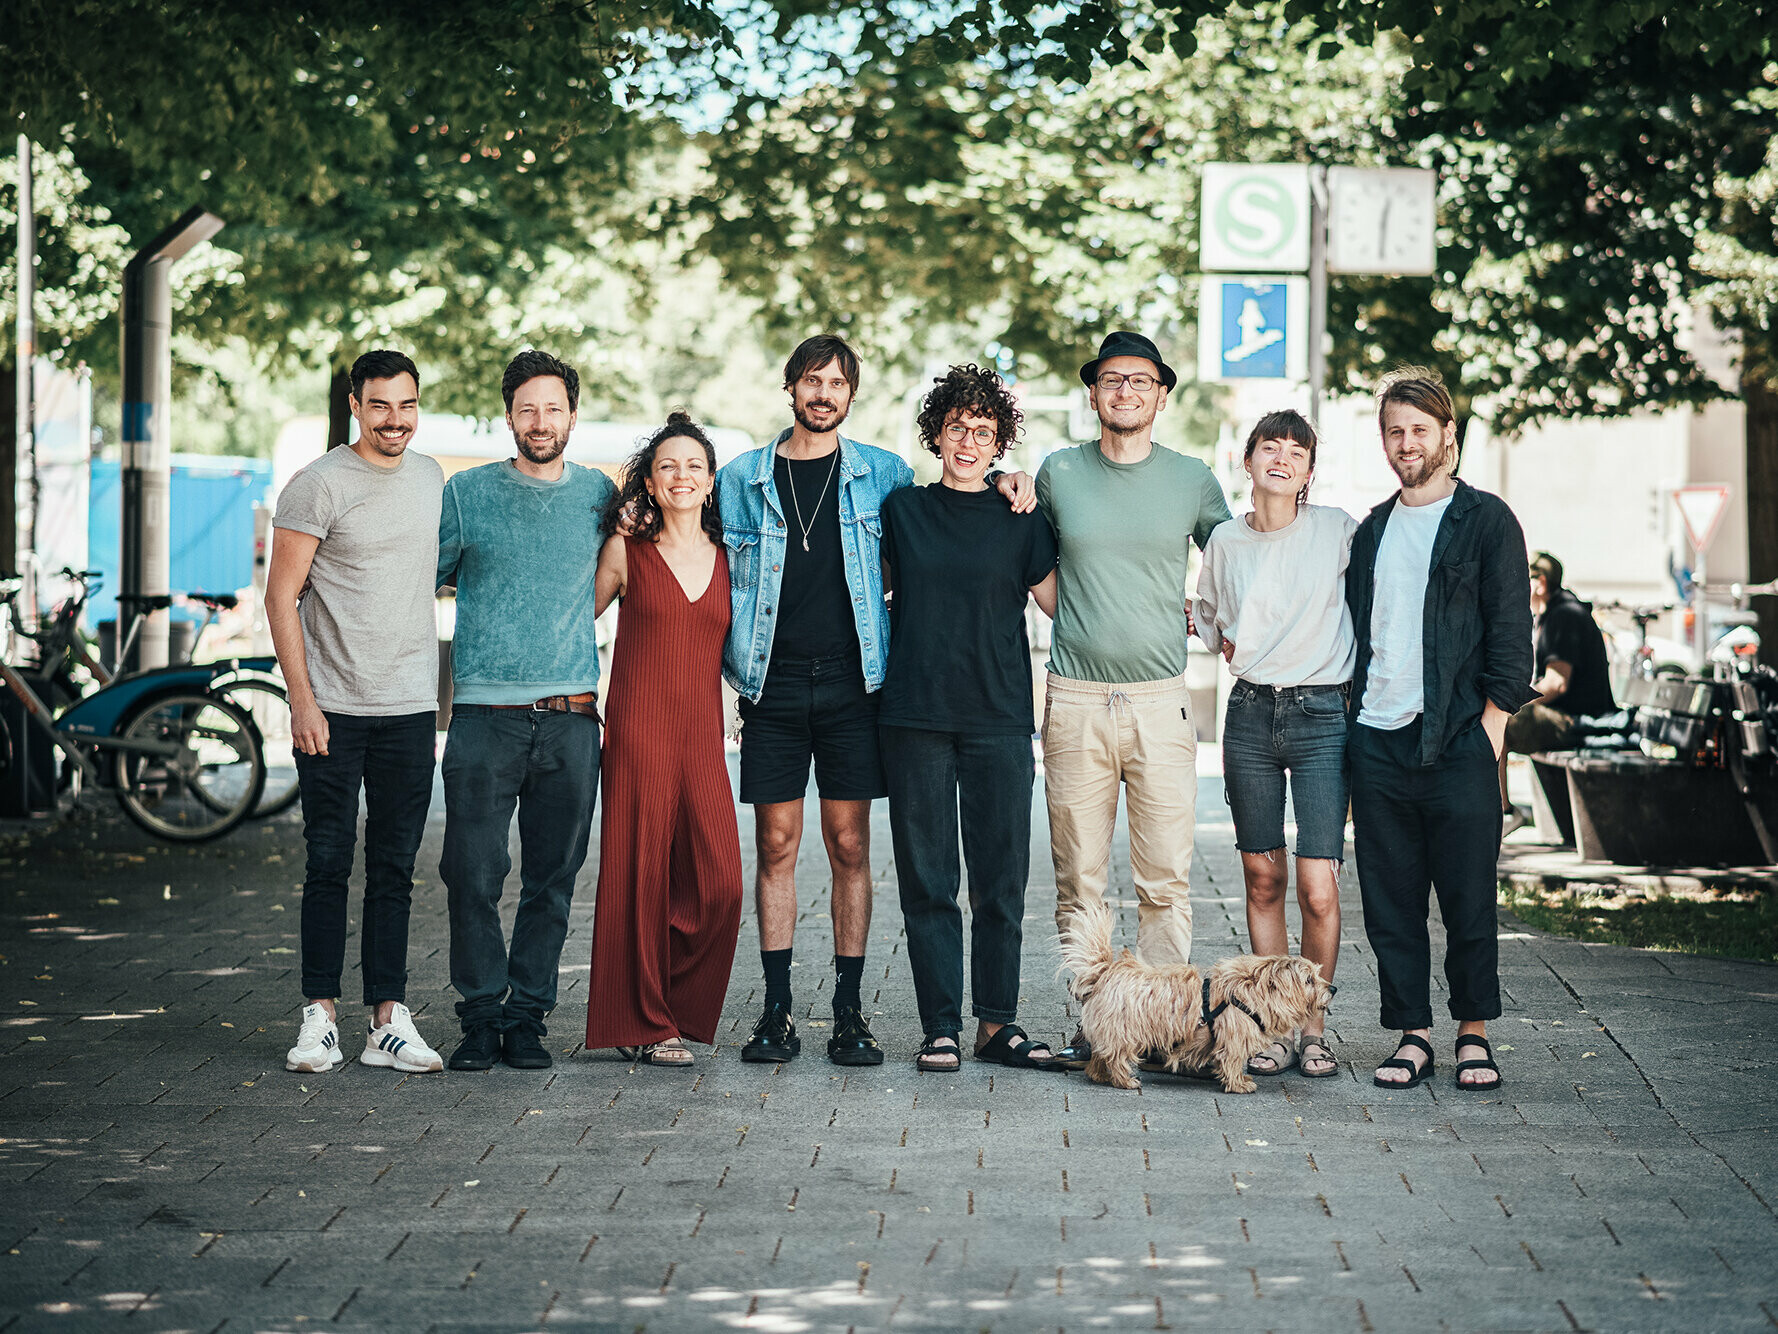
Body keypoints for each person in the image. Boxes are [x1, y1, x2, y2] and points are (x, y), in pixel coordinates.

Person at [716, 334, 1033, 1067]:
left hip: (857, 685)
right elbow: (691, 543)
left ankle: (850, 1012)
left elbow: (959, 507)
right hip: (773, 683)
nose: (823, 393)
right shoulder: (739, 480)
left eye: (837, 383)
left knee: (851, 844)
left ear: (851, 396)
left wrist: (1016, 477)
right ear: (791, 387)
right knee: (775, 845)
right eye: (811, 381)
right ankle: (775, 1012)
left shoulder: (883, 476)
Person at [1037, 330, 1232, 1070]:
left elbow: (1239, 557)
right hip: (1076, 698)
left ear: (1161, 394)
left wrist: (1217, 621)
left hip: (1160, 702)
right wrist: (1079, 610)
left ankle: (1159, 1027)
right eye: (1111, 379)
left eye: (1140, 381)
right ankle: (1095, 1026)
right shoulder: (1058, 474)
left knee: (1164, 880)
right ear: (1093, 393)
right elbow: (1027, 558)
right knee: (1080, 877)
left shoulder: (1191, 479)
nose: (1125, 391)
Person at [1345, 367, 1536, 1093]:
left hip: (1457, 739)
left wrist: (1489, 729)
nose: (1406, 444)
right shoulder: (1372, 529)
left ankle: (1473, 1035)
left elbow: (1511, 637)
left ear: (1448, 435)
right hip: (1379, 742)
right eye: (1394, 432)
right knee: (1391, 902)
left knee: (1466, 900)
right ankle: (1413, 1034)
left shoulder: (1486, 521)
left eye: (1419, 430)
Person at [436, 350, 617, 1073]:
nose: (540, 422)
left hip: (573, 720)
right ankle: (480, 1017)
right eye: (527, 409)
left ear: (573, 415)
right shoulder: (466, 493)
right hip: (484, 717)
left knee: (553, 878)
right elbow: (420, 575)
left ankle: (528, 1017)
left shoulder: (600, 495)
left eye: (553, 409)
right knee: (472, 874)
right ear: (508, 414)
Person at [878, 365, 1061, 1072]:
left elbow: (1056, 605)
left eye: (983, 431)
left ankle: (996, 1023)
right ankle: (939, 1027)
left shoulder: (1022, 518)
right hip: (915, 717)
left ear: (1000, 443)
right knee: (928, 880)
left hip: (1000, 719)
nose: (968, 441)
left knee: (1000, 878)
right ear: (936, 432)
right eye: (956, 426)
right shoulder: (903, 511)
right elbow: (868, 595)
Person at [270, 348, 445, 1076]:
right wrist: (301, 703)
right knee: (328, 862)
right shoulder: (317, 486)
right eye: (380, 405)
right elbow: (282, 597)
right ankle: (319, 1017)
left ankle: (387, 1021)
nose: (395, 420)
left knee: (396, 869)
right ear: (355, 405)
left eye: (406, 405)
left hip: (409, 707)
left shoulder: (433, 477)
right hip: (333, 709)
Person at [1193, 410, 1355, 1079]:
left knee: (1318, 886)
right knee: (1264, 878)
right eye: (1270, 447)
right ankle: (1272, 1029)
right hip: (1252, 714)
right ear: (1248, 459)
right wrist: (1228, 639)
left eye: (1296, 451)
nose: (1282, 459)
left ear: (1310, 471)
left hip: (1323, 716)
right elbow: (1207, 617)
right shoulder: (1226, 541)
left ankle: (1312, 1026)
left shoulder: (1339, 531)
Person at [585, 414, 744, 1067]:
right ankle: (645, 1022)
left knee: (721, 884)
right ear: (650, 482)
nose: (682, 476)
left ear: (710, 482)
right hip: (638, 729)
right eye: (668, 466)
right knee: (640, 874)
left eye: (694, 467)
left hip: (704, 735)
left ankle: (670, 1007)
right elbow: (572, 622)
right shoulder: (626, 552)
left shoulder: (733, 558)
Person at [1500, 551, 1615, 827]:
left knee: (1498, 721)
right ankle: (1502, 810)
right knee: (1496, 714)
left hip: (1582, 721)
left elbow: (1556, 683)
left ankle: (1504, 813)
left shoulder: (1564, 616)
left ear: (1538, 583)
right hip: (1567, 715)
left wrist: (1514, 703)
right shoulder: (1553, 613)